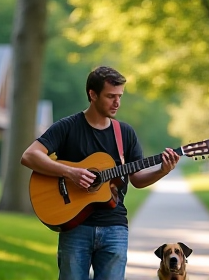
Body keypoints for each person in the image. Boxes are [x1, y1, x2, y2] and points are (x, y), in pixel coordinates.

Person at [21, 66, 180, 280]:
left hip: (114, 227)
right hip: (75, 225)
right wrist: (70, 172)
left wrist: (162, 170)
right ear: (92, 95)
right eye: (110, 96)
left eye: (120, 96)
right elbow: (30, 156)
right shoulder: (68, 127)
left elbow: (138, 180)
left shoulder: (125, 133)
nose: (117, 102)